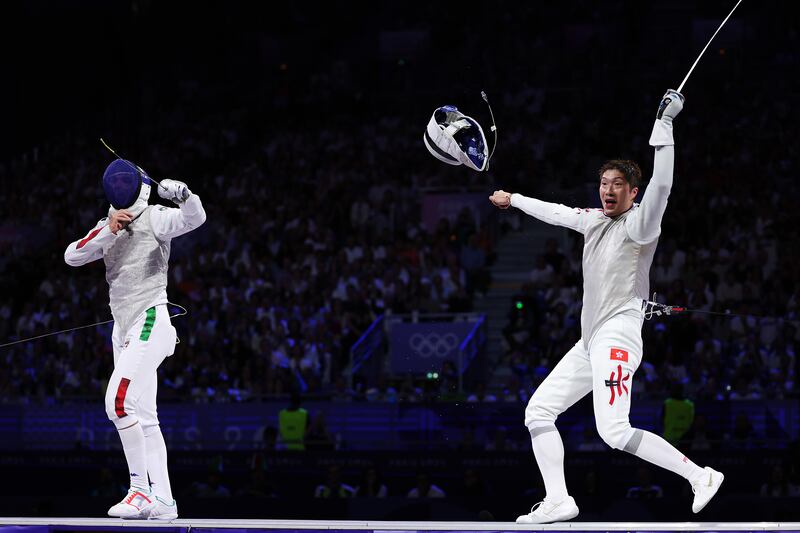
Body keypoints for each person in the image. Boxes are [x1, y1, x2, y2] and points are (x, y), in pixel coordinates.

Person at [489, 90, 724, 524]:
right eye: (604, 183)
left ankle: (701, 476)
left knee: (613, 430)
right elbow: (557, 212)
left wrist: (666, 124)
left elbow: (665, 184)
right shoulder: (594, 220)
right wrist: (515, 198)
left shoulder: (640, 224)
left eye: (618, 185)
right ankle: (559, 499)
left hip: (617, 335)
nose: (608, 190)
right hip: (590, 341)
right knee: (538, 411)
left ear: (633, 192)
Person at [65, 159, 206, 519]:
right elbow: (73, 256)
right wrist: (109, 230)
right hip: (124, 329)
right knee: (144, 417)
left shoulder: (156, 217)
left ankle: (140, 491)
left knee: (118, 403)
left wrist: (185, 196)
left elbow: (195, 219)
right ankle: (165, 502)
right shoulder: (106, 225)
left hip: (150, 320)